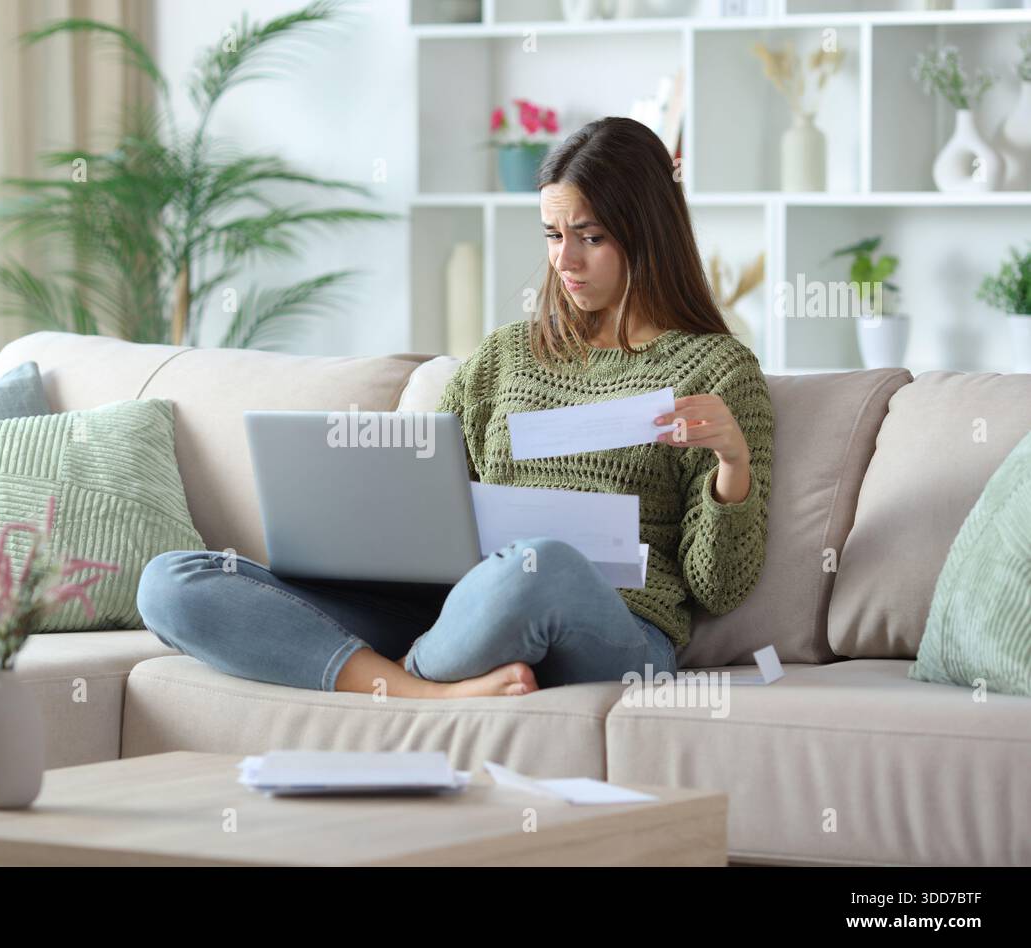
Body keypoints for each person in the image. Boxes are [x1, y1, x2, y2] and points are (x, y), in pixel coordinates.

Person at [137, 116, 774, 699]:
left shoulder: (716, 369)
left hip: (613, 627)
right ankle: (422, 692)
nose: (565, 261)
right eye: (553, 235)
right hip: (453, 611)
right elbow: (433, 507)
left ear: (648, 230)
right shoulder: (505, 357)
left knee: (540, 563)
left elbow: (718, 588)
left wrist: (731, 463)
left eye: (592, 237)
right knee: (173, 579)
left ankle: (390, 676)